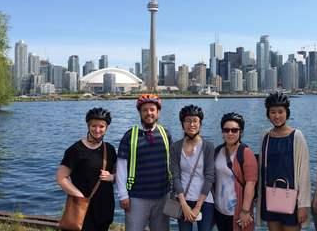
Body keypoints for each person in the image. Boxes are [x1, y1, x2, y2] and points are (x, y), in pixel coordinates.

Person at [115, 94, 172, 231]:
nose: (149, 113)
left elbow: (171, 164)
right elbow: (121, 168)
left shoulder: (166, 134)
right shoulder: (130, 135)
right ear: (140, 112)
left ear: (158, 112)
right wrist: (123, 195)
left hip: (162, 196)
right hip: (136, 198)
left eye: (152, 109)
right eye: (145, 110)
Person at [256, 92, 311, 231]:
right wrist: (259, 196)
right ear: (268, 114)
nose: (277, 116)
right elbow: (261, 169)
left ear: (287, 112)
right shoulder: (265, 136)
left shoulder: (296, 136)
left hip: (290, 197)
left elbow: (304, 172)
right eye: (273, 112)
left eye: (281, 111)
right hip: (270, 195)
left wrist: (303, 204)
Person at [56, 107, 117, 231]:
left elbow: (117, 175)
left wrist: (112, 177)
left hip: (104, 206)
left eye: (101, 126)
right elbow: (61, 178)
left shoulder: (109, 149)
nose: (97, 130)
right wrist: (78, 195)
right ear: (88, 126)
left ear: (106, 128)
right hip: (81, 206)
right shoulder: (76, 150)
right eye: (93, 126)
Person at [170, 105, 215, 231]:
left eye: (195, 121)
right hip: (183, 199)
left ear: (200, 123)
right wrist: (183, 205)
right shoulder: (175, 147)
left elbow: (209, 177)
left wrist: (198, 206)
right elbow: (176, 176)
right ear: (182, 123)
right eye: (187, 121)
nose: (192, 124)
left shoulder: (208, 146)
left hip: (204, 201)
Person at [214, 112, 258, 231]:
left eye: (234, 130)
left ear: (241, 132)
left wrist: (245, 211)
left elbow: (251, 183)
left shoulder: (245, 153)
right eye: (226, 130)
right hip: (219, 209)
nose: (230, 133)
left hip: (237, 211)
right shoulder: (217, 151)